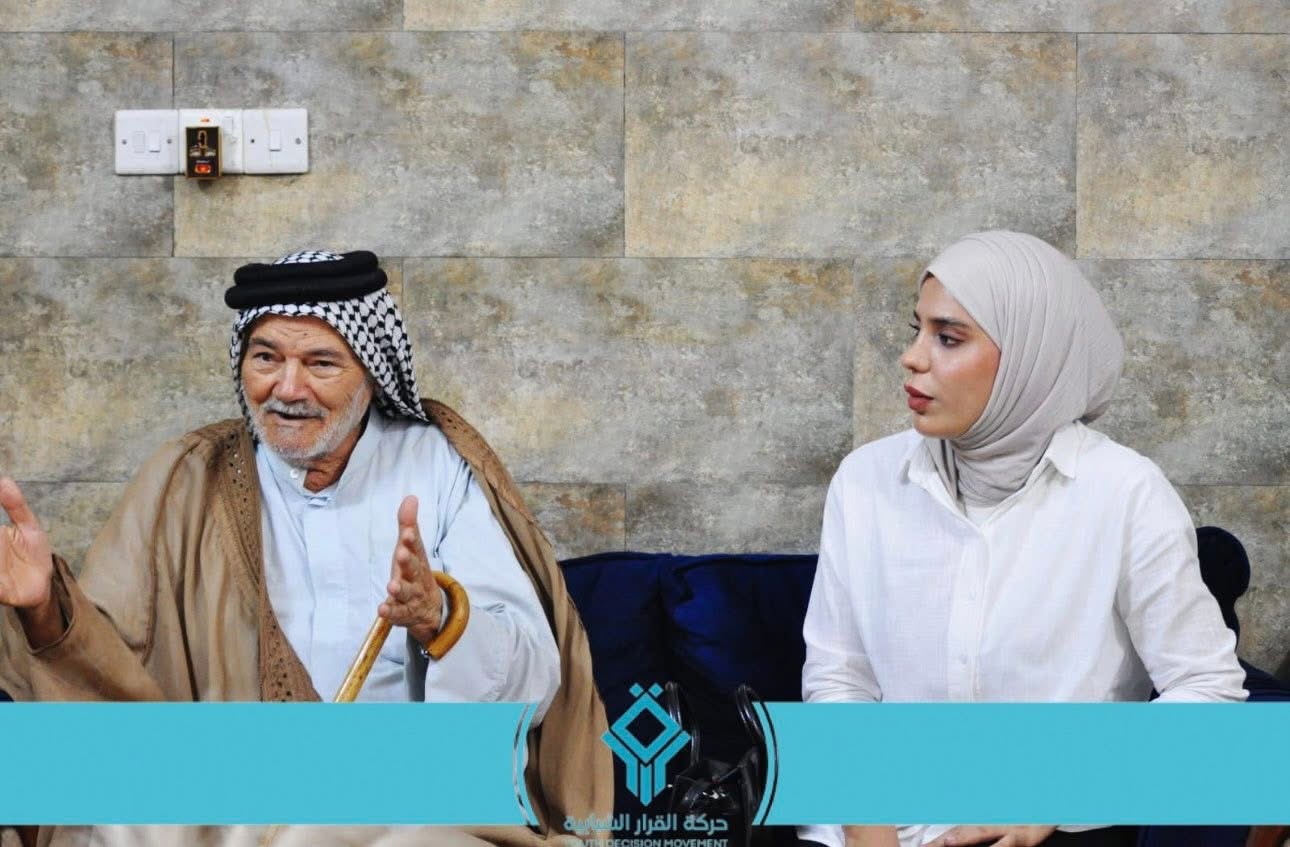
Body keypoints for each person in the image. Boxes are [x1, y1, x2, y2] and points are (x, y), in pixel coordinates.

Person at [0, 250, 611, 847]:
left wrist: (440, 618)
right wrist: (43, 607)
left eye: (321, 363)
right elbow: (114, 671)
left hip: (408, 778)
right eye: (266, 358)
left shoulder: (438, 467)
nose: (287, 389)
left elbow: (533, 686)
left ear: (371, 371)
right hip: (234, 769)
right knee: (79, 791)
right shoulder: (191, 476)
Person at [798, 232, 1246, 847]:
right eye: (917, 329)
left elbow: (1209, 690)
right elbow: (839, 678)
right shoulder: (865, 480)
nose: (911, 357)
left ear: (1030, 357)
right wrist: (864, 828)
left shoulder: (1125, 492)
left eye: (948, 338)